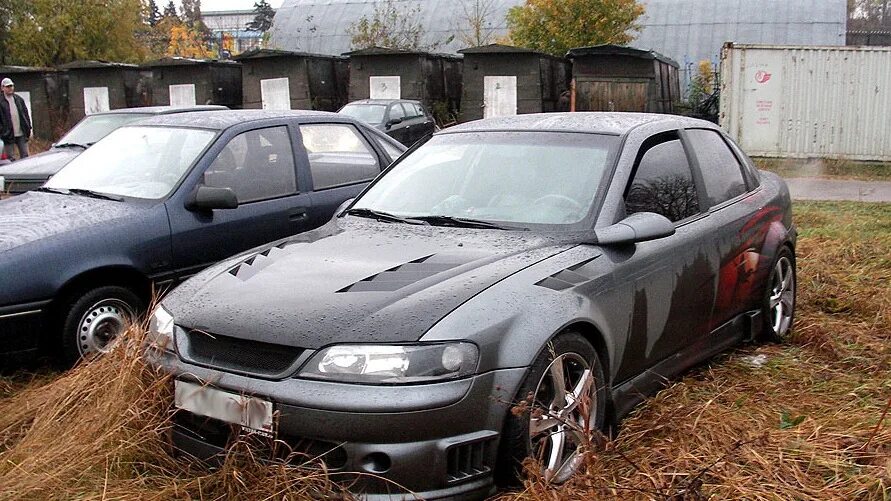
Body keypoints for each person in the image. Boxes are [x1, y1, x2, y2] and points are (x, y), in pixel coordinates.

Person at [0, 78, 32, 160]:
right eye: (8, 86)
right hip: (7, 134)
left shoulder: (19, 99)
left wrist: (28, 127)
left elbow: (25, 114)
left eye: (11, 86)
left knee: (25, 156)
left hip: (21, 133)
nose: (10, 88)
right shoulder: (1, 101)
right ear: (2, 88)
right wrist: (2, 131)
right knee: (10, 158)